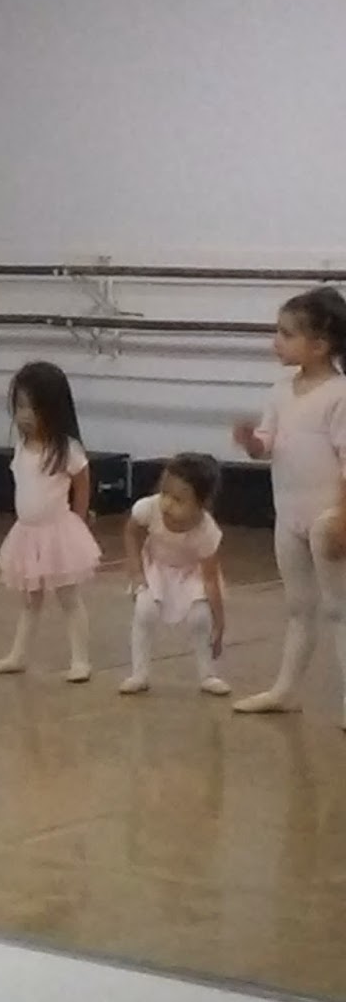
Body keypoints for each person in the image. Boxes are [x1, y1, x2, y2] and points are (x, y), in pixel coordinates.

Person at [233, 286, 346, 726]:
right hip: (289, 515)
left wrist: (342, 518)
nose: (275, 341)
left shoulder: (339, 395)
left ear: (320, 345)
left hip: (328, 517)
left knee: (339, 608)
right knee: (299, 607)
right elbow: (267, 444)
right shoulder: (280, 391)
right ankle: (285, 690)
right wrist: (251, 442)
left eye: (286, 334)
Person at [0, 361, 100, 681]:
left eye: (32, 407)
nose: (25, 415)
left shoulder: (66, 449)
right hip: (27, 534)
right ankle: (18, 655)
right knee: (29, 600)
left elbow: (82, 483)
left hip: (58, 534)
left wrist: (79, 521)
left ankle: (81, 660)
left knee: (69, 598)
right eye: (20, 406)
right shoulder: (22, 446)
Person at [119, 454, 230, 697]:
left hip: (191, 574)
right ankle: (139, 673)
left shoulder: (207, 531)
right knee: (145, 610)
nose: (167, 504)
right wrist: (136, 571)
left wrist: (219, 623)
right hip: (157, 568)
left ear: (202, 503)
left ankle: (208, 674)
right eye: (164, 493)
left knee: (200, 618)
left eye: (178, 499)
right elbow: (131, 532)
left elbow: (210, 579)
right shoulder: (149, 508)